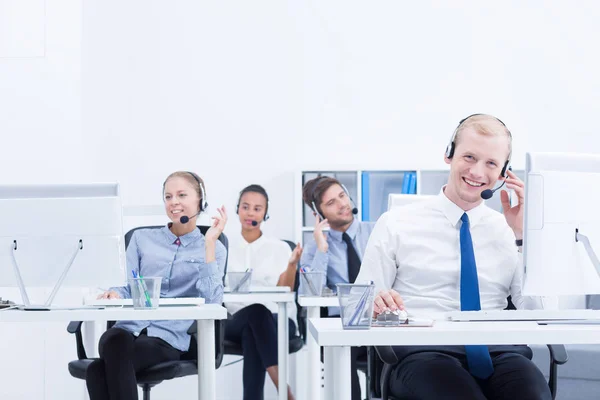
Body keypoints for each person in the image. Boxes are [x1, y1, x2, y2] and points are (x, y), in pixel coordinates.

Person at [357, 114, 551, 399]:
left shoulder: (508, 229)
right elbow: (360, 303)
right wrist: (375, 303)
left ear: (503, 173)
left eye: (491, 163)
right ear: (449, 154)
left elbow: (539, 314)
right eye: (469, 157)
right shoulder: (396, 222)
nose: (477, 172)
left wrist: (523, 236)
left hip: (499, 350)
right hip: (423, 350)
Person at [87, 171, 228, 400]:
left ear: (200, 200)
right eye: (168, 196)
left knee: (96, 371)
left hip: (166, 337)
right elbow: (125, 285)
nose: (174, 202)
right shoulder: (141, 239)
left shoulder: (213, 248)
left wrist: (210, 243)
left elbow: (212, 302)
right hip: (126, 330)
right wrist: (114, 293)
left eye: (182, 195)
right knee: (113, 339)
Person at [300, 176, 376, 400]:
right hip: (343, 327)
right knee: (341, 349)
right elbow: (307, 294)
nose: (342, 204)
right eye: (331, 202)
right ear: (318, 214)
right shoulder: (315, 246)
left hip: (380, 323)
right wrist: (322, 249)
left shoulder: (376, 231)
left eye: (342, 195)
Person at [225, 184, 301, 400]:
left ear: (265, 214)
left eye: (257, 209)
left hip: (278, 320)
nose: (250, 213)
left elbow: (285, 289)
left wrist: (292, 265)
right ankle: (285, 392)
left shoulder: (279, 247)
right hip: (235, 320)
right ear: (237, 209)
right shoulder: (224, 246)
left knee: (255, 326)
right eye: (245, 207)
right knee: (255, 313)